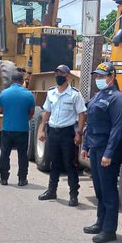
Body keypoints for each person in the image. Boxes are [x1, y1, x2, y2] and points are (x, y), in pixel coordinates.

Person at [81, 62, 122, 243]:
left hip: (109, 150)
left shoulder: (117, 99)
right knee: (99, 189)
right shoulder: (97, 95)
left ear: (112, 76)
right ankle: (100, 223)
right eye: (97, 76)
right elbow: (90, 124)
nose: (98, 79)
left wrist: (108, 153)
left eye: (102, 76)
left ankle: (109, 230)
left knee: (108, 191)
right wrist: (85, 146)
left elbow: (117, 128)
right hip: (95, 148)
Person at [37, 64, 86, 206]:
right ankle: (51, 190)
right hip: (53, 132)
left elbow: (82, 114)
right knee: (54, 163)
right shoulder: (51, 93)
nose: (58, 76)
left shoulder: (75, 94)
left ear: (68, 76)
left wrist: (79, 133)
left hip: (67, 133)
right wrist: (41, 129)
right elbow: (47, 112)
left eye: (62, 74)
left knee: (70, 164)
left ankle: (73, 195)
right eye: (57, 73)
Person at [0, 70, 35, 186]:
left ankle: (4, 178)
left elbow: (2, 109)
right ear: (22, 81)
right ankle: (22, 179)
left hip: (7, 128)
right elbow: (31, 113)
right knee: (22, 155)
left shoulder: (4, 93)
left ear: (11, 81)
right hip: (22, 129)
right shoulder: (29, 95)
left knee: (5, 154)